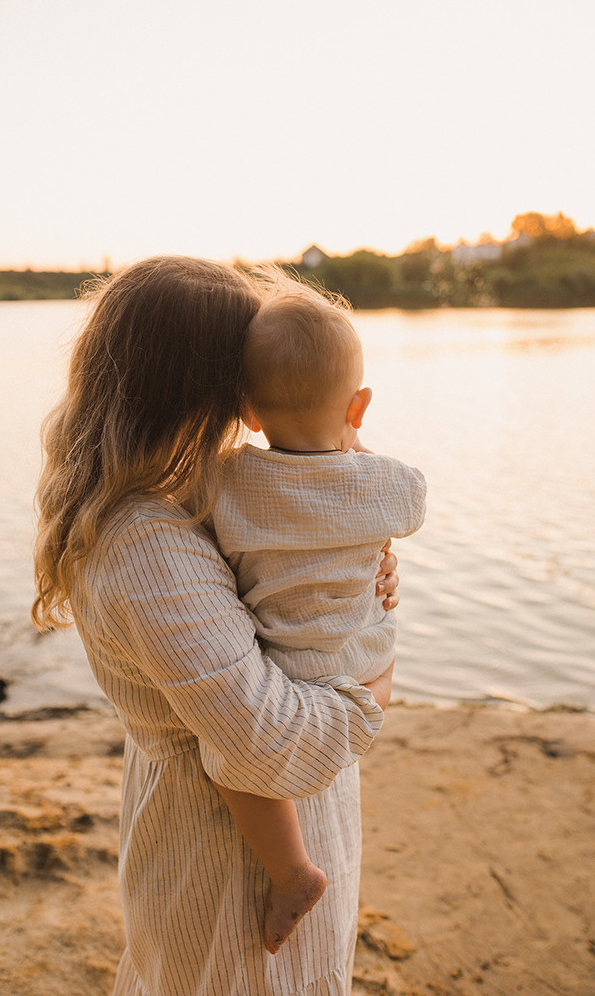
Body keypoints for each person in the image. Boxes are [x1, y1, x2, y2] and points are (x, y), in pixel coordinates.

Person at [32, 255, 399, 996]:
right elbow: (271, 746)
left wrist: (356, 578)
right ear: (210, 385)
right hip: (227, 864)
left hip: (263, 833)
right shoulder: (145, 542)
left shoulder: (192, 499)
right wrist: (376, 678)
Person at [208, 280, 426, 954]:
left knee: (227, 762)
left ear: (247, 410)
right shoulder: (386, 483)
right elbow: (413, 505)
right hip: (364, 650)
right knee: (371, 661)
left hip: (284, 662)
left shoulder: (224, 479)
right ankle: (368, 708)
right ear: (359, 404)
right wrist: (353, 446)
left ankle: (292, 872)